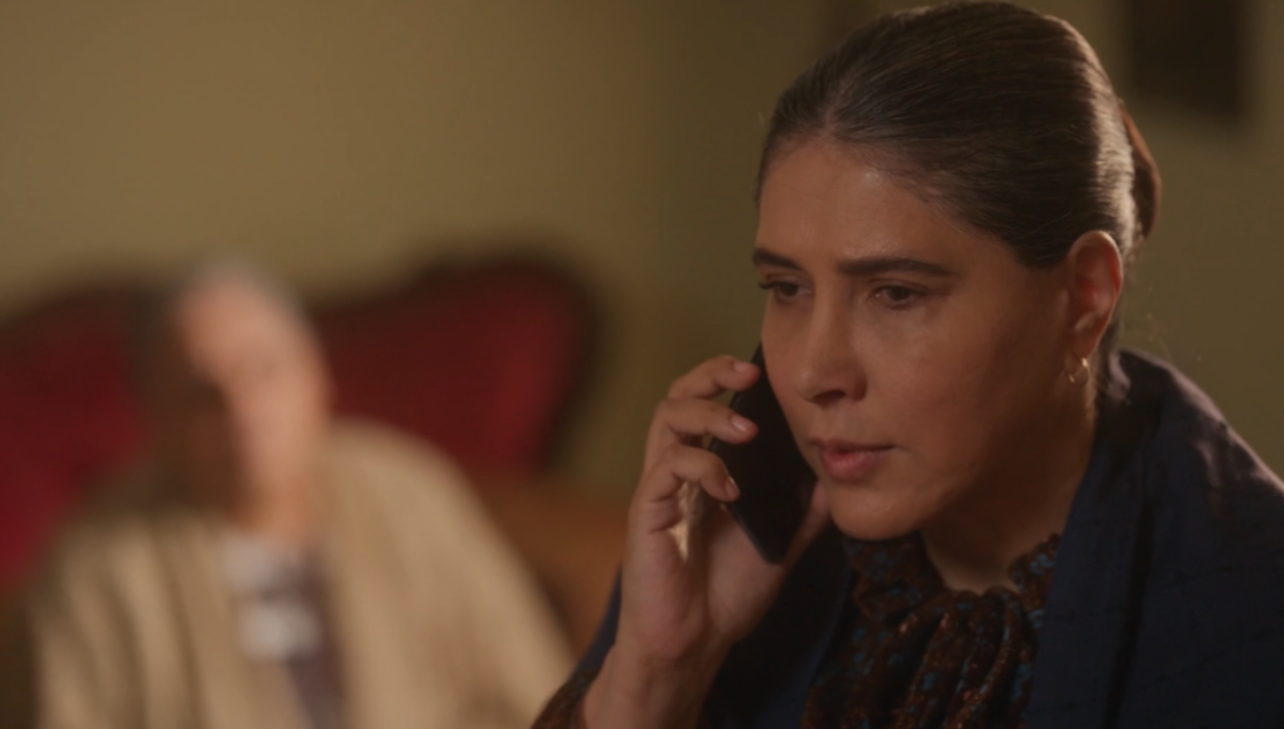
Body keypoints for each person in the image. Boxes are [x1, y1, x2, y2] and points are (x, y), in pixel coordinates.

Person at [532, 3, 1284, 728]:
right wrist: (660, 669)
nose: (812, 374)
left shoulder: (1249, 617)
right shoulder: (753, 541)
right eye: (787, 287)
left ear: (1083, 297)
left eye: (896, 293)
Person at [16, 261, 573, 729]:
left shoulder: (412, 495)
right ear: (155, 416)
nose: (242, 408)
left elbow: (531, 692)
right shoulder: (96, 567)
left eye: (264, 368)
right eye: (202, 390)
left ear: (316, 375)